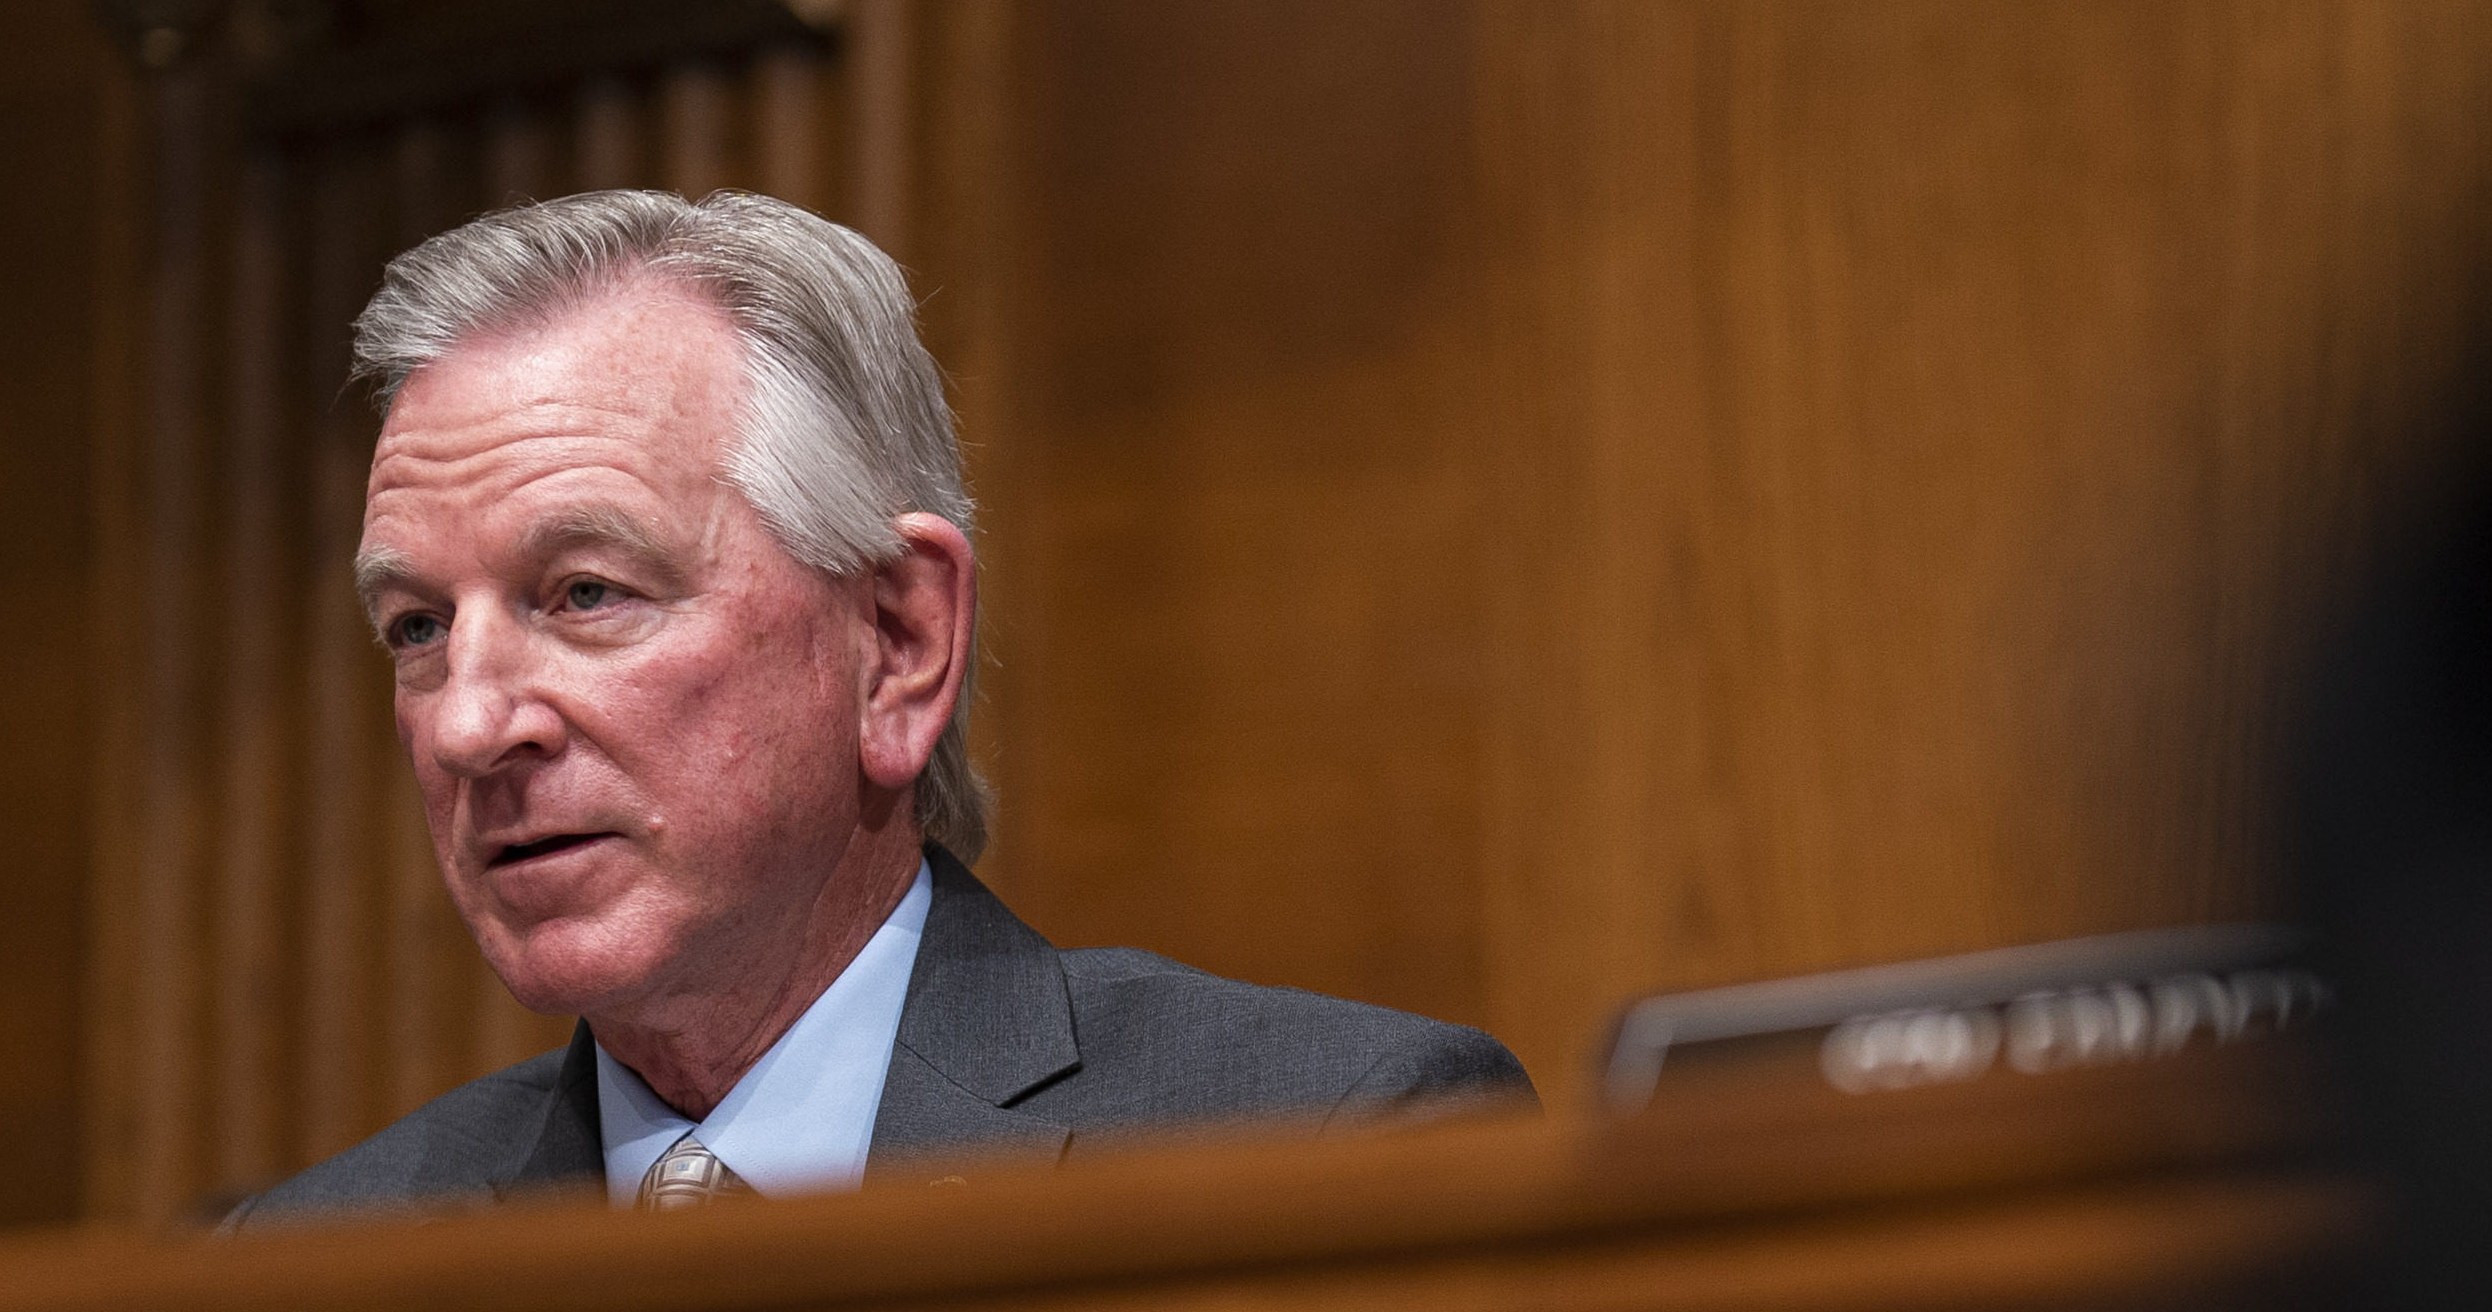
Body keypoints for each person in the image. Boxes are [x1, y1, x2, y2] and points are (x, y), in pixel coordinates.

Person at [232, 191, 1529, 1225]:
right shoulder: (300, 1275)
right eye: (417, 627)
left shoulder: (1326, 1161)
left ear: (899, 642)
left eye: (584, 592)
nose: (468, 725)